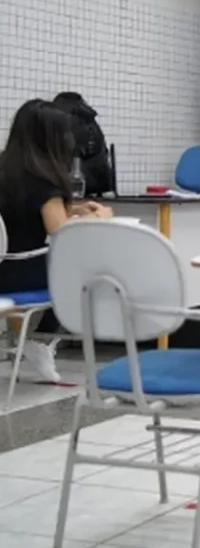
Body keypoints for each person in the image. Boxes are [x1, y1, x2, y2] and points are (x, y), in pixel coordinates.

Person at [0, 99, 112, 382]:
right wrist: (101, 217)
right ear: (52, 139)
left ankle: (34, 340)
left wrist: (72, 208)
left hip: (4, 269)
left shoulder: (5, 169)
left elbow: (20, 213)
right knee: (83, 267)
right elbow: (61, 232)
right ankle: (40, 339)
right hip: (23, 275)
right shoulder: (42, 179)